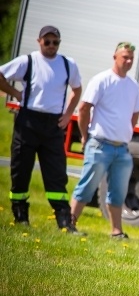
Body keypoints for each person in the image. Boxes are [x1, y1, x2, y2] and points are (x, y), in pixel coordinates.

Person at [0, 25, 82, 232]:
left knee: (56, 173)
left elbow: (77, 88)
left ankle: (64, 221)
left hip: (53, 125)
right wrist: (15, 94)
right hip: (27, 122)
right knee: (21, 171)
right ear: (39, 41)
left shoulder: (67, 64)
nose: (51, 45)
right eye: (47, 41)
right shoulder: (28, 61)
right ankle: (20, 217)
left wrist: (67, 114)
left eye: (55, 42)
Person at [69, 42, 139, 238]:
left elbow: (135, 113)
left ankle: (116, 231)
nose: (128, 61)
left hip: (121, 149)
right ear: (115, 57)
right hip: (100, 144)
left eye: (131, 58)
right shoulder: (101, 80)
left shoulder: (133, 86)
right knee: (87, 186)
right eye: (124, 57)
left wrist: (126, 131)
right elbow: (84, 108)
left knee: (118, 192)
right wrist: (85, 135)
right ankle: (69, 223)